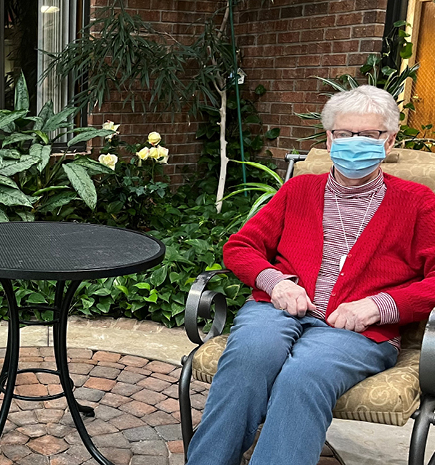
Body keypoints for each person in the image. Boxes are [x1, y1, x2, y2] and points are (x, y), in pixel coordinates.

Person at [186, 85, 435, 465]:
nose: (355, 142)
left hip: (359, 330)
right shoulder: (299, 189)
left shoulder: (418, 203)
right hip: (278, 309)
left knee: (304, 375)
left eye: (369, 135)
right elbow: (239, 248)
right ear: (330, 137)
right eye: (345, 133)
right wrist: (276, 283)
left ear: (389, 141)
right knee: (251, 356)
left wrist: (378, 306)